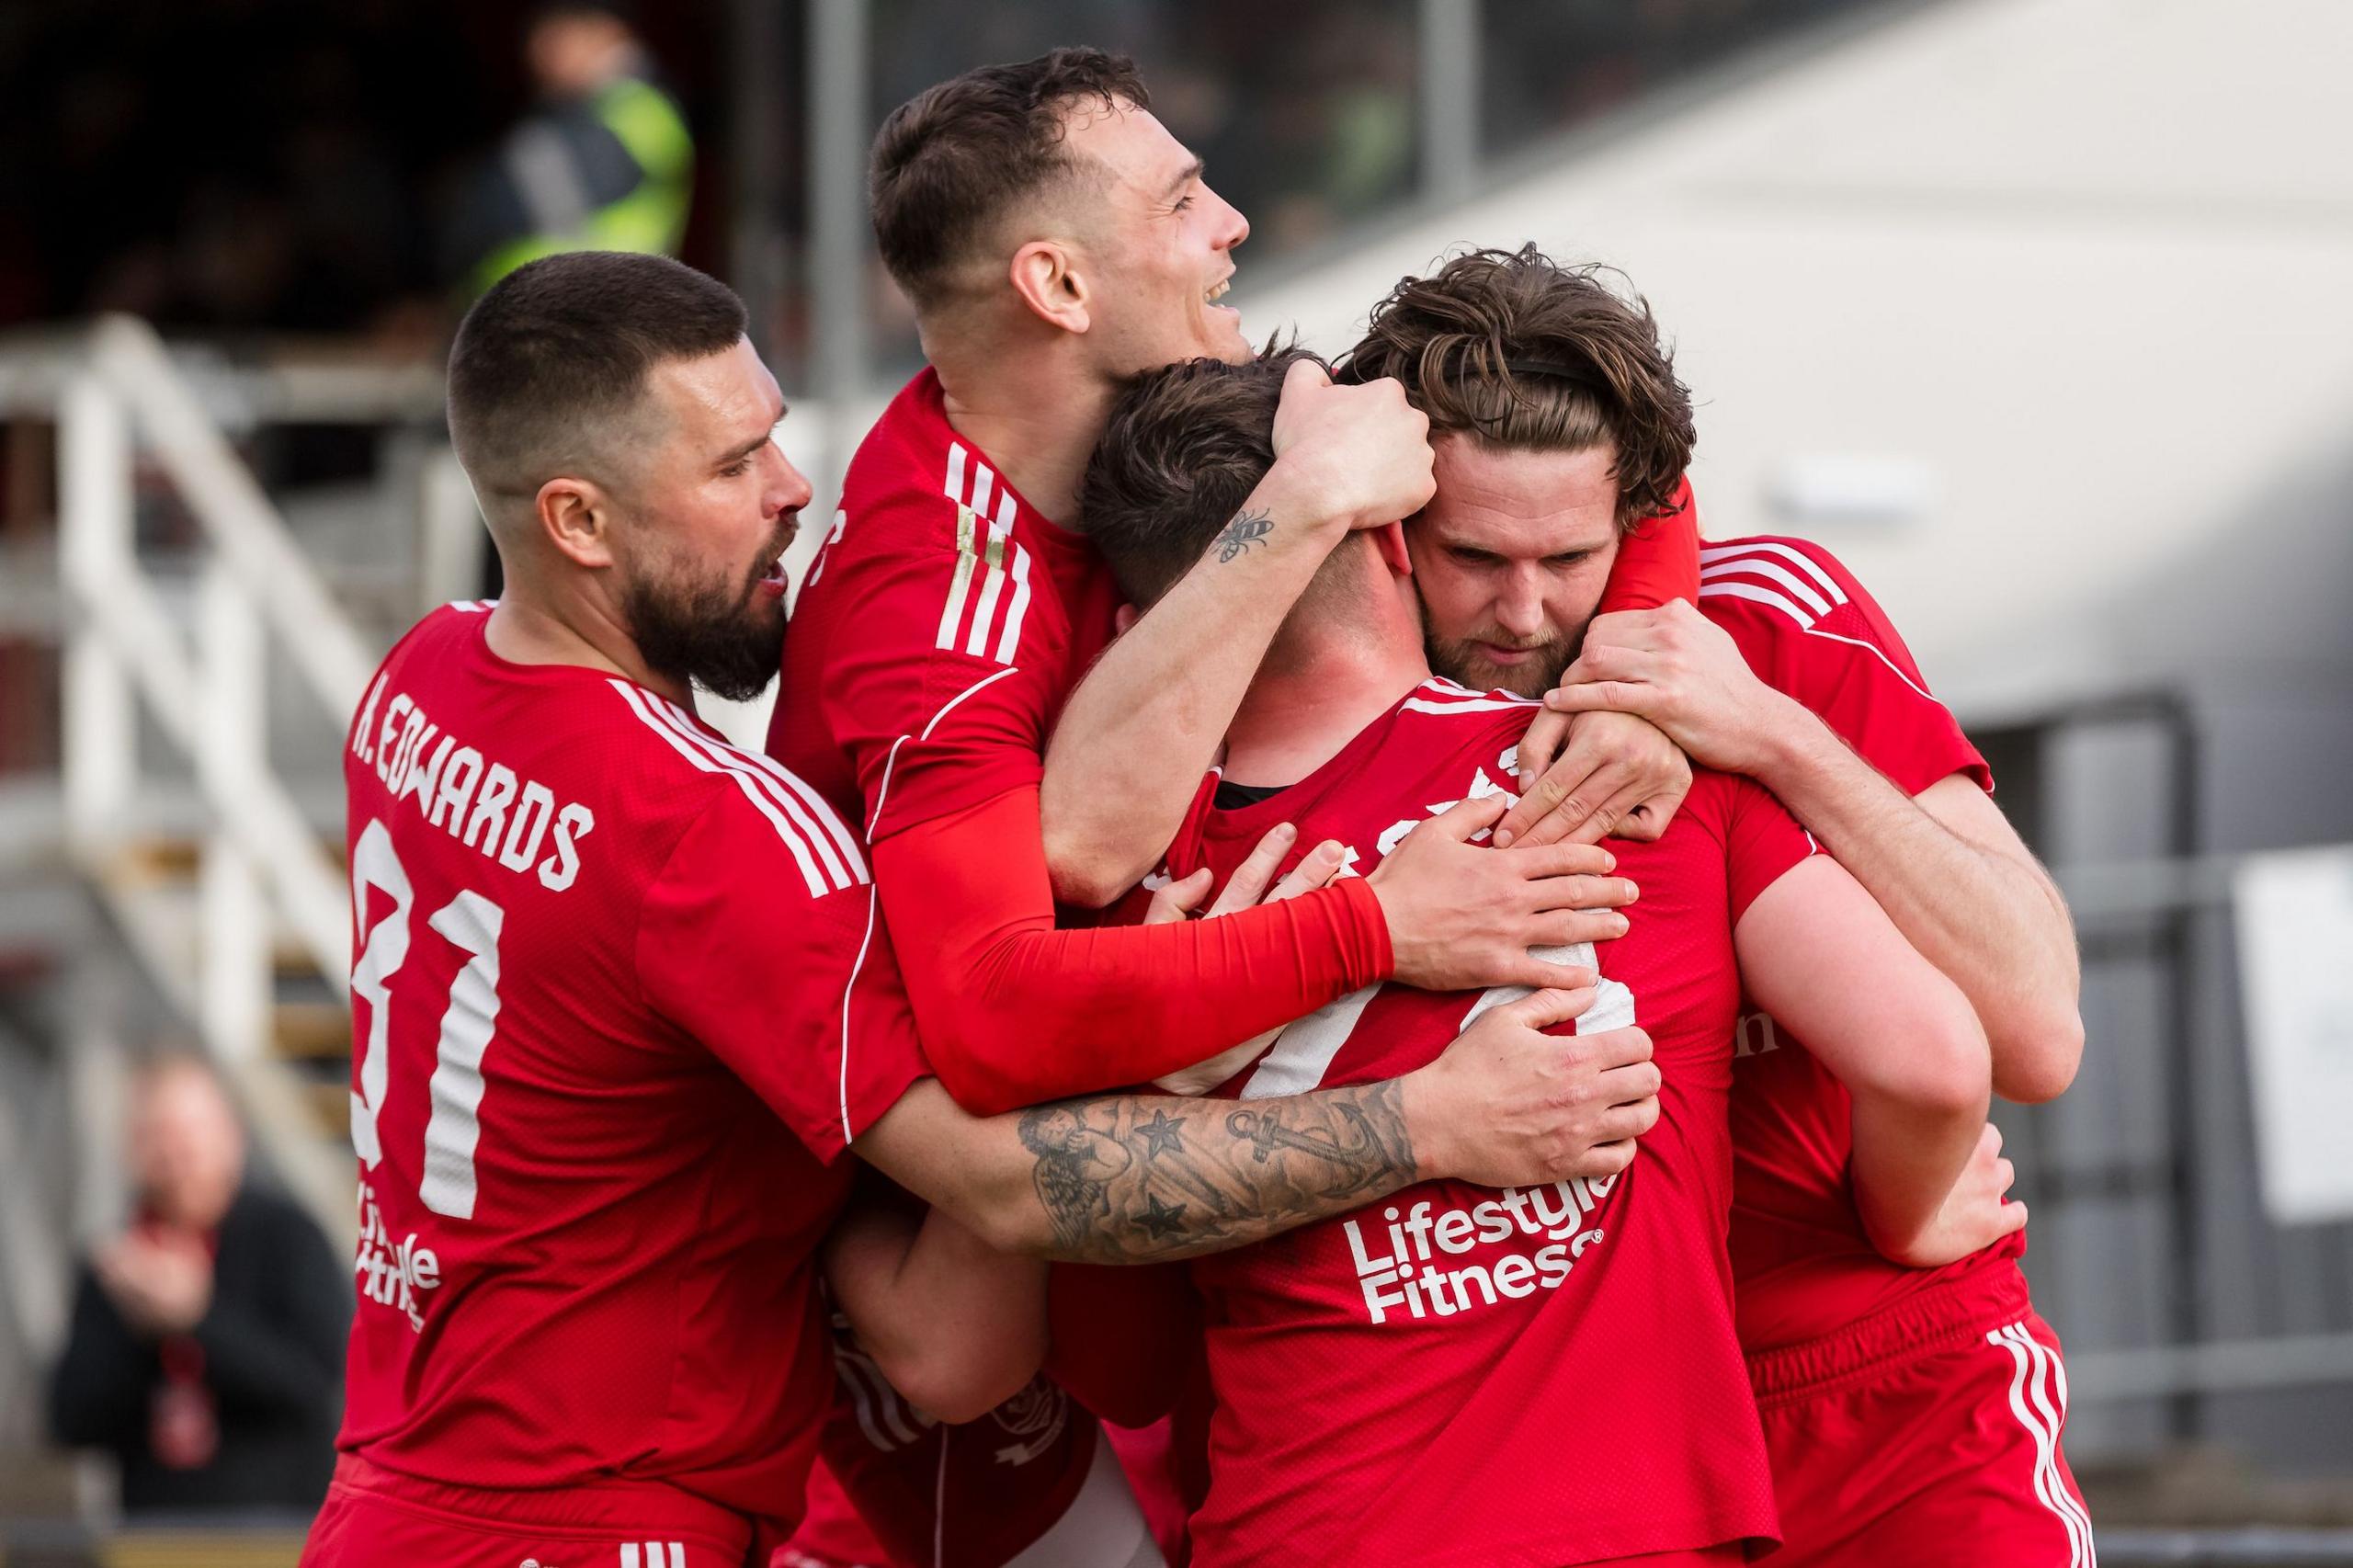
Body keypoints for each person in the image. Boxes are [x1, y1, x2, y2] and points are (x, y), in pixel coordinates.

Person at [300, 248, 1655, 1568]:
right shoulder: (712, 832)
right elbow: (1007, 1196)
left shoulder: (419, 684)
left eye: (773, 435)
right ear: (577, 522)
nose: (790, 490)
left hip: (392, 1494)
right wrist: (1421, 1100)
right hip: (594, 1520)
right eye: (729, 468)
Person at [768, 49, 1688, 1564]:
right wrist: (1375, 925)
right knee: (966, 1345)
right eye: (1184, 199)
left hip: (1159, 1316)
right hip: (919, 1363)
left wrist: (1639, 664)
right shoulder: (930, 601)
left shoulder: (1213, 416)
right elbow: (1003, 1000)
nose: (1235, 223)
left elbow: (1597, 425)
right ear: (1060, 285)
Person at [1068, 344, 1994, 1566]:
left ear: (1136, 636)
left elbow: (1112, 1364)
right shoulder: (1633, 772)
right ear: (1400, 539)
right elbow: (1932, 1060)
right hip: (1636, 1523)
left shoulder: (1129, 913)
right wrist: (1907, 1215)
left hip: (1305, 1526)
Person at [1356, 246, 2095, 1566]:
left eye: (1568, 556)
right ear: (1391, 522)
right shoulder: (1331, 707)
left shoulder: (1767, 614)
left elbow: (2035, 1027)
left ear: (1637, 516)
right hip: (1567, 1434)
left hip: (1895, 1384)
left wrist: (1773, 737)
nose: (1524, 609)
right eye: (1471, 556)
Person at [49, 1054, 347, 1516]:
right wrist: (141, 1325)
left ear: (230, 1137)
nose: (174, 1157)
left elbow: (313, 1385)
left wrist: (198, 1319)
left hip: (277, 1534)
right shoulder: (118, 1263)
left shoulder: (286, 1238)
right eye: (157, 1138)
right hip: (154, 1539)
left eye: (188, 1136)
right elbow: (70, 1420)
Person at [441, 2, 693, 298]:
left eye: (556, 33)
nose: (538, 51)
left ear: (607, 32)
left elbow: (501, 202)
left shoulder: (635, 111)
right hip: (551, 307)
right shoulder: (583, 109)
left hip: (575, 313)